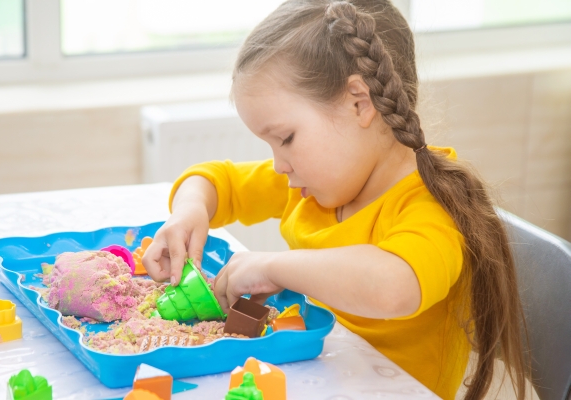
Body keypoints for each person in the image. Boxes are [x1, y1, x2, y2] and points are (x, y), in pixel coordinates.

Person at [141, 1, 529, 399]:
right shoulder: (315, 184)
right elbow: (216, 180)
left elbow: (394, 286)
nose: (278, 165)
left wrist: (275, 267)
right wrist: (190, 212)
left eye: (286, 139)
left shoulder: (431, 205)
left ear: (360, 103)